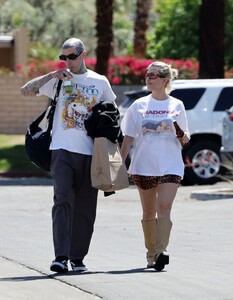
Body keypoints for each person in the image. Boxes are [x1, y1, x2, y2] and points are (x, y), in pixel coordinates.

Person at [21, 38, 117, 273]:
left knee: (85, 207)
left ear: (83, 54)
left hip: (90, 152)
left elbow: (113, 113)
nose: (67, 61)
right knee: (62, 200)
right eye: (63, 57)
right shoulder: (59, 80)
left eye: (71, 57)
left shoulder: (99, 81)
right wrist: (53, 76)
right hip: (61, 149)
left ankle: (78, 257)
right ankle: (61, 257)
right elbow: (26, 90)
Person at [120, 61, 190, 271]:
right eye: (147, 74)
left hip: (170, 165)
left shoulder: (176, 105)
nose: (149, 78)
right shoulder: (138, 105)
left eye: (153, 75)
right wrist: (119, 164)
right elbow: (128, 137)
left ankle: (161, 251)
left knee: (165, 207)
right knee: (149, 212)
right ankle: (151, 253)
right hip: (144, 165)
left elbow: (185, 140)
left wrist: (179, 130)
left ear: (165, 80)